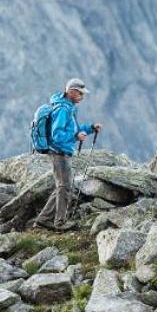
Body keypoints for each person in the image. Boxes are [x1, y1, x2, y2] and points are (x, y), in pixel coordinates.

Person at [31, 78, 99, 230]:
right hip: (59, 153)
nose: (82, 97)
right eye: (80, 94)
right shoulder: (63, 109)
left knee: (62, 186)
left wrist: (90, 128)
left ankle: (43, 219)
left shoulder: (68, 107)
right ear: (72, 92)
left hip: (62, 152)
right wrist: (76, 137)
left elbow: (73, 129)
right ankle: (59, 222)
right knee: (64, 186)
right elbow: (57, 135)